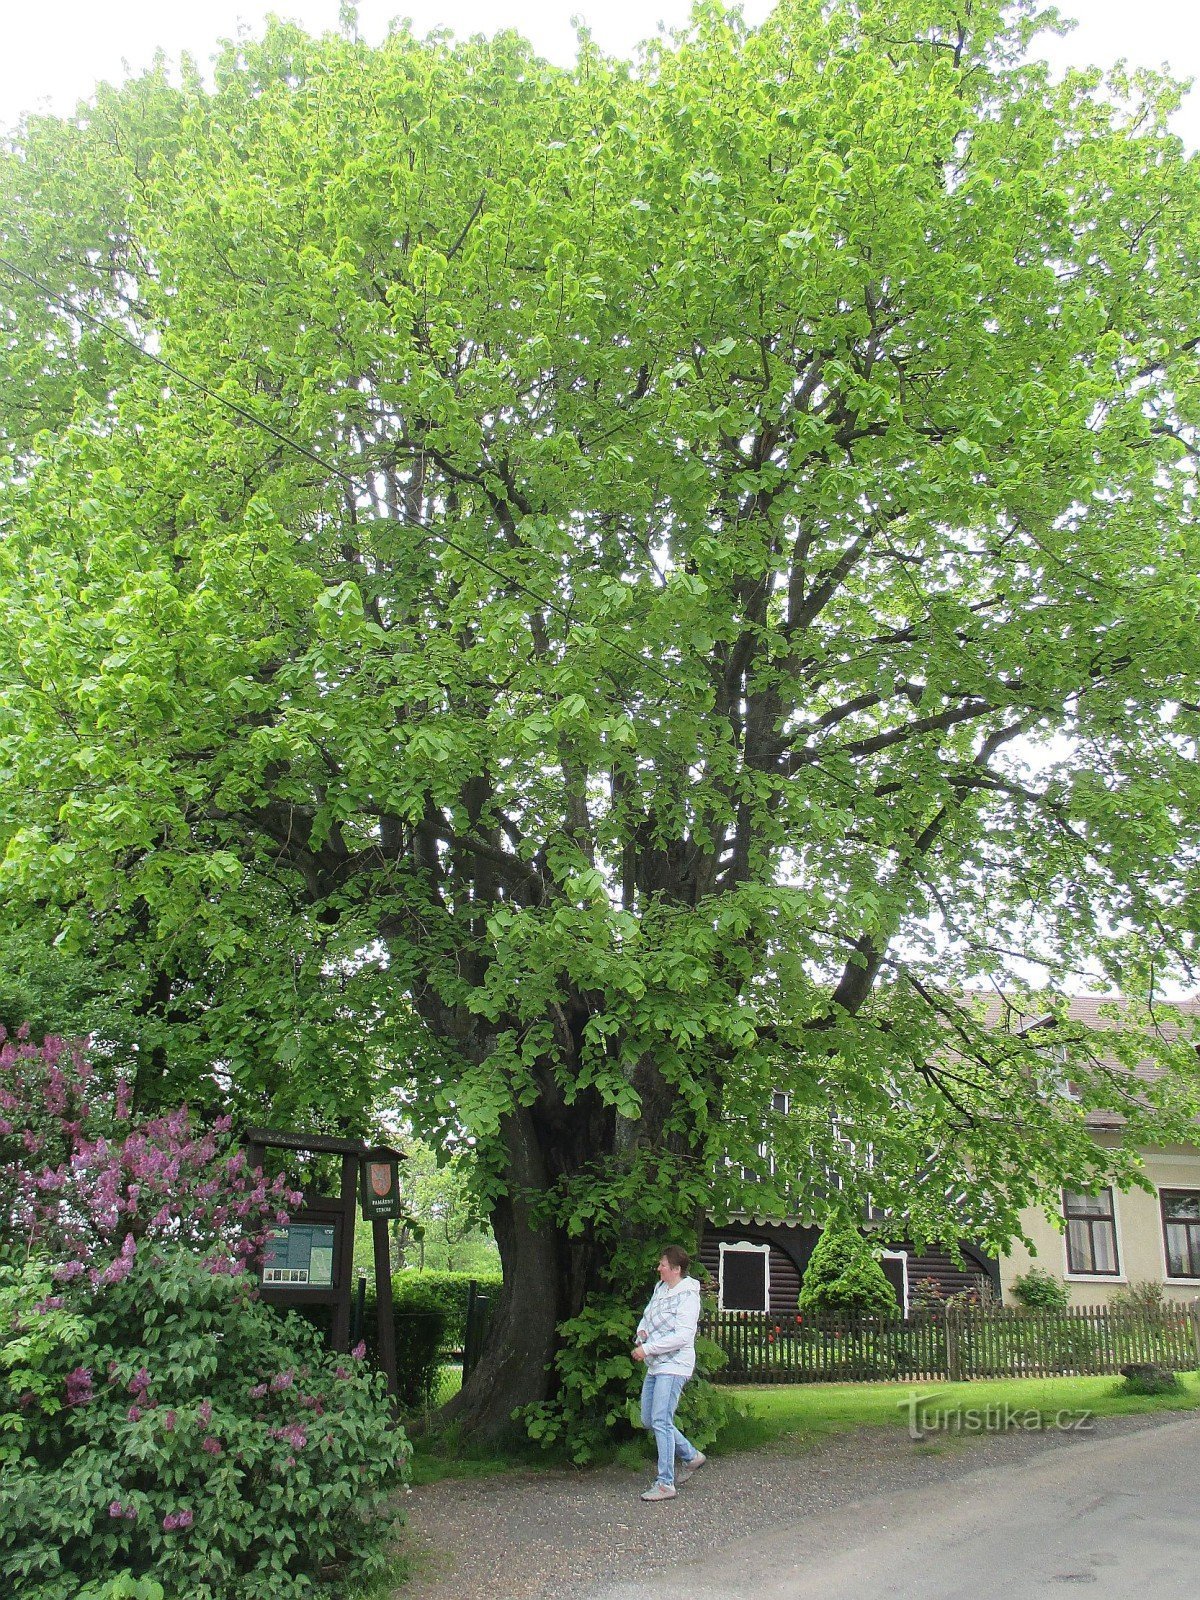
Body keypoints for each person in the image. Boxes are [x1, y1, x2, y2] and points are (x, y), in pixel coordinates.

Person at [632, 1244, 707, 1502]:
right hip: (656, 1363)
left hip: (675, 1365)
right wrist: (642, 1333)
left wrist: (649, 1348)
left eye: (663, 1264)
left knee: (661, 1421)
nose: (659, 1268)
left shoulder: (688, 1296)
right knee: (648, 1419)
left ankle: (665, 1483)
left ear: (675, 1269)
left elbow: (683, 1335)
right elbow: (648, 1316)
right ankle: (691, 1455)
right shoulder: (660, 1288)